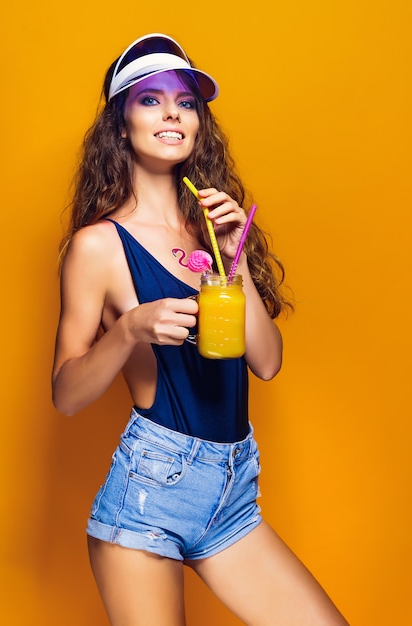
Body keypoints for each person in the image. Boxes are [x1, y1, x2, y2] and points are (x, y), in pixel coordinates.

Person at [52, 33, 349, 626]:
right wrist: (130, 329)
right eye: (150, 100)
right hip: (150, 493)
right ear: (120, 124)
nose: (171, 113)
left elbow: (266, 361)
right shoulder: (98, 247)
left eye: (186, 102)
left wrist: (236, 261)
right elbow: (64, 395)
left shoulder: (213, 231)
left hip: (232, 490)